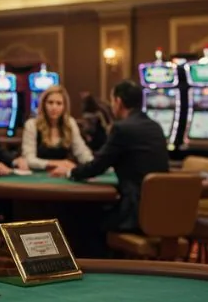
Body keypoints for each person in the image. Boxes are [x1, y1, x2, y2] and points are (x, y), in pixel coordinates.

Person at [67, 79, 169, 232]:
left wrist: (71, 172)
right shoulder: (155, 126)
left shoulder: (122, 128)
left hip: (134, 213)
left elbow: (98, 166)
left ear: (118, 102)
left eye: (112, 100)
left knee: (81, 220)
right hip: (161, 212)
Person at [21, 85, 93, 173]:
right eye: (50, 102)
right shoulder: (32, 125)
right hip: (38, 176)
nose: (54, 107)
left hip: (61, 174)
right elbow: (29, 159)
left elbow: (81, 152)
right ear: (43, 104)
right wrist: (57, 163)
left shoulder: (70, 123)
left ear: (64, 107)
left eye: (59, 103)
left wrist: (94, 165)